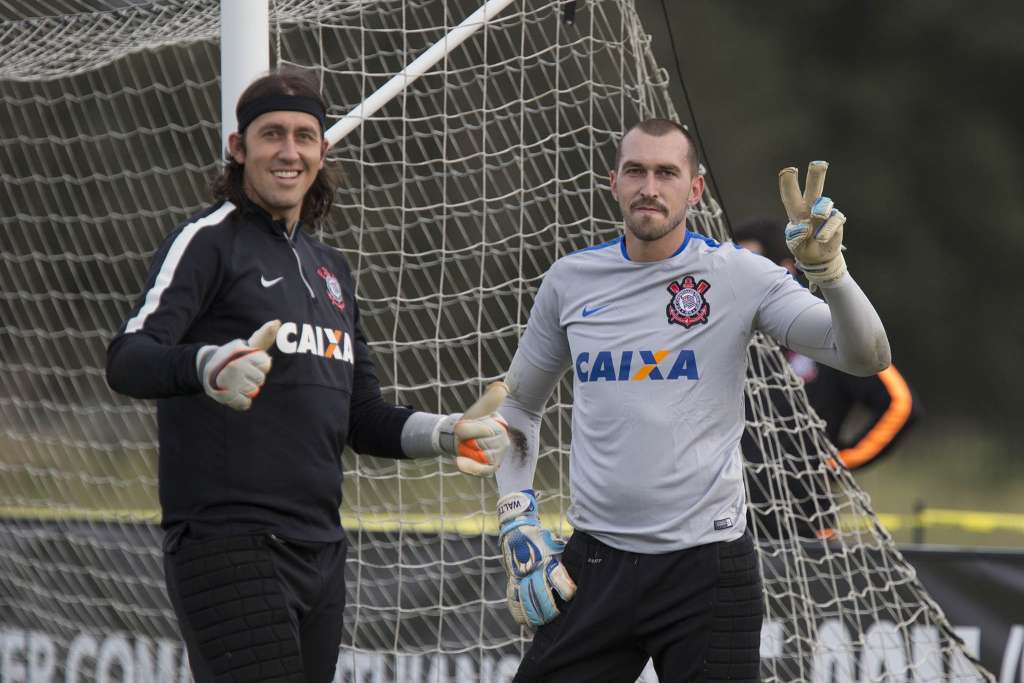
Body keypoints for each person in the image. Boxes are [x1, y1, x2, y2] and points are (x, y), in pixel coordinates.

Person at [105, 68, 509, 683]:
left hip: (322, 550)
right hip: (229, 543)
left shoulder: (330, 270)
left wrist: (447, 432)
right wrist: (207, 366)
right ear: (239, 149)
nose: (288, 151)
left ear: (322, 151)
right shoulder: (208, 242)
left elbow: (362, 416)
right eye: (271, 135)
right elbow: (127, 358)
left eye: (304, 136)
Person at [491, 118, 892, 682]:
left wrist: (831, 273)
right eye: (635, 171)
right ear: (614, 182)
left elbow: (865, 355)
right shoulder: (569, 281)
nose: (649, 187)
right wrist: (516, 516)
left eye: (666, 172)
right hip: (595, 562)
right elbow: (519, 411)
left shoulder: (739, 275)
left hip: (709, 571)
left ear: (695, 188)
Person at [733, 217, 922, 540]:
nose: (740, 274)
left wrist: (838, 460)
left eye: (753, 261)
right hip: (725, 520)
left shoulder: (817, 327)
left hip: (805, 521)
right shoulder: (721, 329)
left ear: (785, 268)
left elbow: (901, 403)